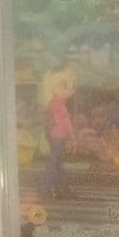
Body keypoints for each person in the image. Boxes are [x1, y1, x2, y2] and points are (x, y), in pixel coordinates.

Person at [39, 66, 76, 199]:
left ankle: (62, 188)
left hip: (55, 136)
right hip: (58, 137)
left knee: (57, 163)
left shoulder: (54, 104)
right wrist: (72, 137)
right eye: (65, 86)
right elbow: (66, 123)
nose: (70, 89)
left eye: (72, 85)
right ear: (53, 89)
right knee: (54, 164)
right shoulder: (59, 105)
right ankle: (47, 188)